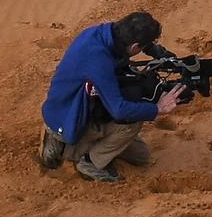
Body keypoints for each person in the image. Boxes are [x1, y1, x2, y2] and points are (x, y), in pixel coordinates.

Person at [37, 11, 182, 184]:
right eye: (143, 47)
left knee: (141, 156)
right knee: (131, 122)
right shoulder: (99, 60)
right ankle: (87, 162)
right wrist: (158, 108)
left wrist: (160, 53)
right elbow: (119, 110)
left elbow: (134, 42)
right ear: (135, 47)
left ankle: (84, 146)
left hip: (70, 104)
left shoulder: (104, 33)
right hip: (67, 119)